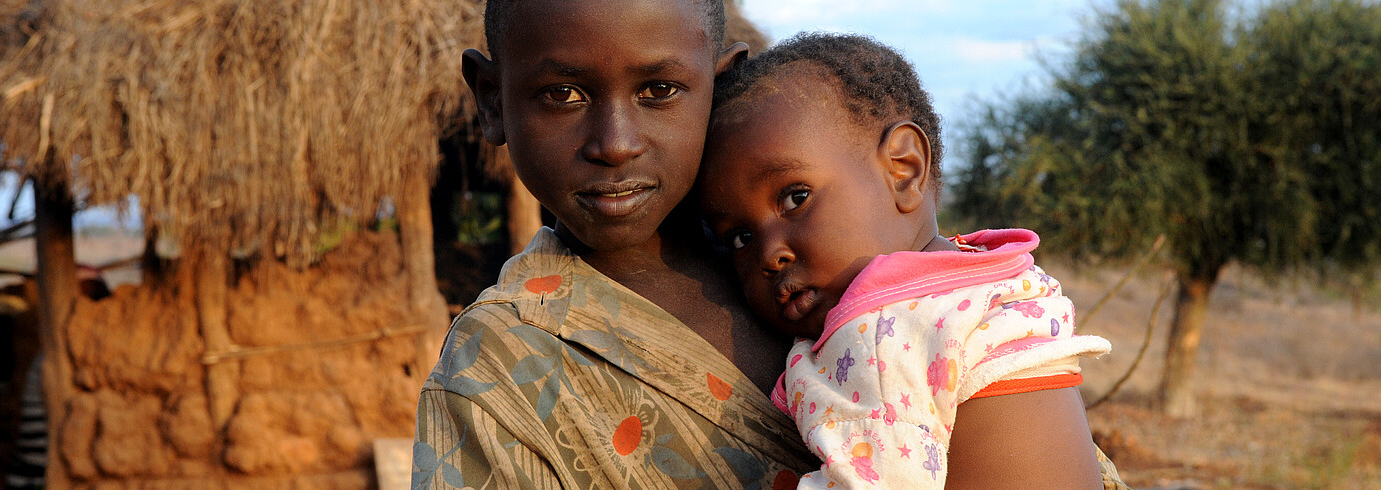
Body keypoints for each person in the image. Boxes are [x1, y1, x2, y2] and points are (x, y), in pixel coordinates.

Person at [412, 0, 817, 488]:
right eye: (562, 94)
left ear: (722, 87)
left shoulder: (825, 258)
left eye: (659, 90)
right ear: (493, 101)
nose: (615, 144)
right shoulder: (495, 365)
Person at [696, 32, 1118, 489]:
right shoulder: (985, 280)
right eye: (739, 237)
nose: (769, 254)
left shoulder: (884, 333)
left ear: (904, 169)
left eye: (796, 198)